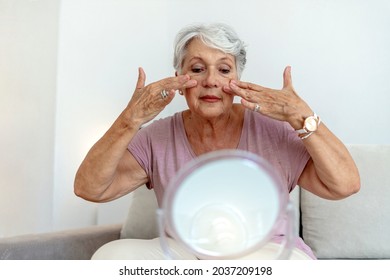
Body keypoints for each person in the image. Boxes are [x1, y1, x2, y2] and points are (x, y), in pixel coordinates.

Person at [74, 23, 360, 259]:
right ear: (179, 79)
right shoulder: (156, 137)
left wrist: (301, 117)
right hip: (186, 252)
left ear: (237, 79)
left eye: (224, 70)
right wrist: (130, 119)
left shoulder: (275, 130)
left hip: (267, 251)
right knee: (110, 257)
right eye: (197, 69)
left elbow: (345, 184)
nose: (211, 81)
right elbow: (90, 189)